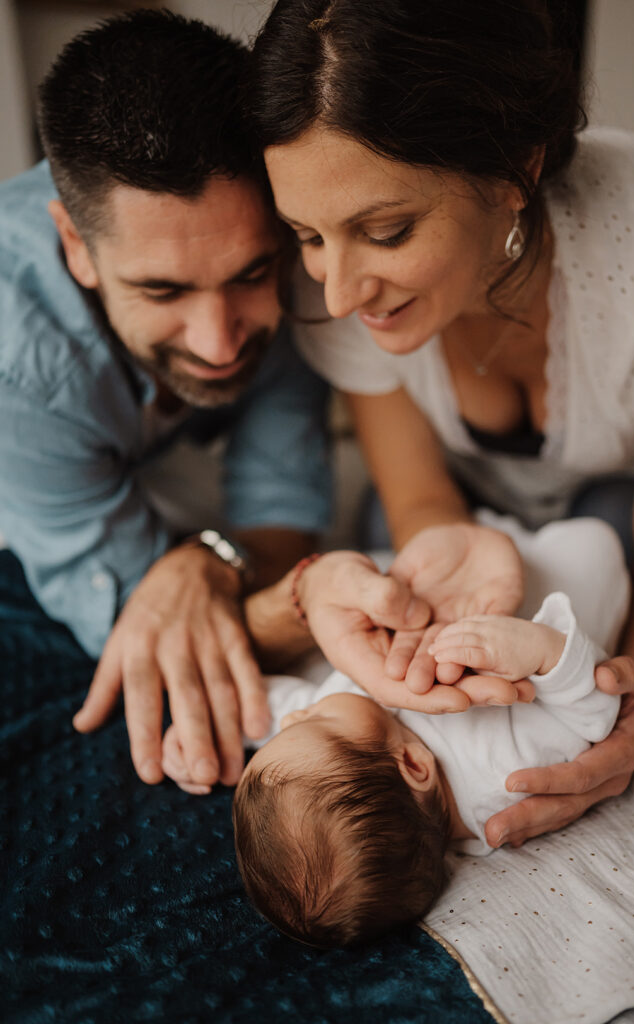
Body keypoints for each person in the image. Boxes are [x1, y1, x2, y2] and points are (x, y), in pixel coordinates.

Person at [247, 0, 634, 848]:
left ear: (512, 172)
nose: (336, 294)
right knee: (378, 536)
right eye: (307, 236)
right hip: (468, 514)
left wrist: (632, 704)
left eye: (385, 231)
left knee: (615, 539)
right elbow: (417, 500)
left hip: (627, 509)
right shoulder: (334, 291)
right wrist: (449, 551)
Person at [0, 9, 441, 794]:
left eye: (247, 274)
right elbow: (154, 633)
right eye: (162, 289)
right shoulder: (18, 366)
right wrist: (191, 575)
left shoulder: (300, 264)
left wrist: (206, 559)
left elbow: (278, 521)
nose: (219, 342)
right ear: (75, 244)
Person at [163, 516, 629, 946]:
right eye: (314, 723)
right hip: (554, 575)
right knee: (597, 543)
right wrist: (543, 652)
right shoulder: (500, 779)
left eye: (280, 735)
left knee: (374, 519)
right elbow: (590, 714)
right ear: (412, 765)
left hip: (457, 566)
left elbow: (271, 708)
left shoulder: (334, 755)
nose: (294, 717)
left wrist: (206, 721)